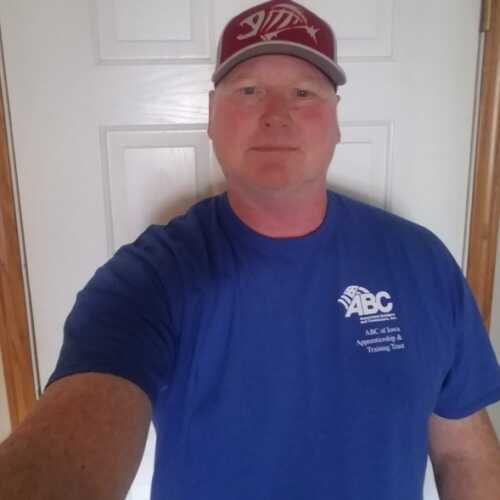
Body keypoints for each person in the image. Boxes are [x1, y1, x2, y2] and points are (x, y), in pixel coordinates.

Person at [1, 1, 500, 499]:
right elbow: (63, 452)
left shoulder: (421, 263)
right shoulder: (149, 278)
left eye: (303, 93)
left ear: (336, 121)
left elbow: (463, 453)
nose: (275, 116)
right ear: (211, 116)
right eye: (249, 91)